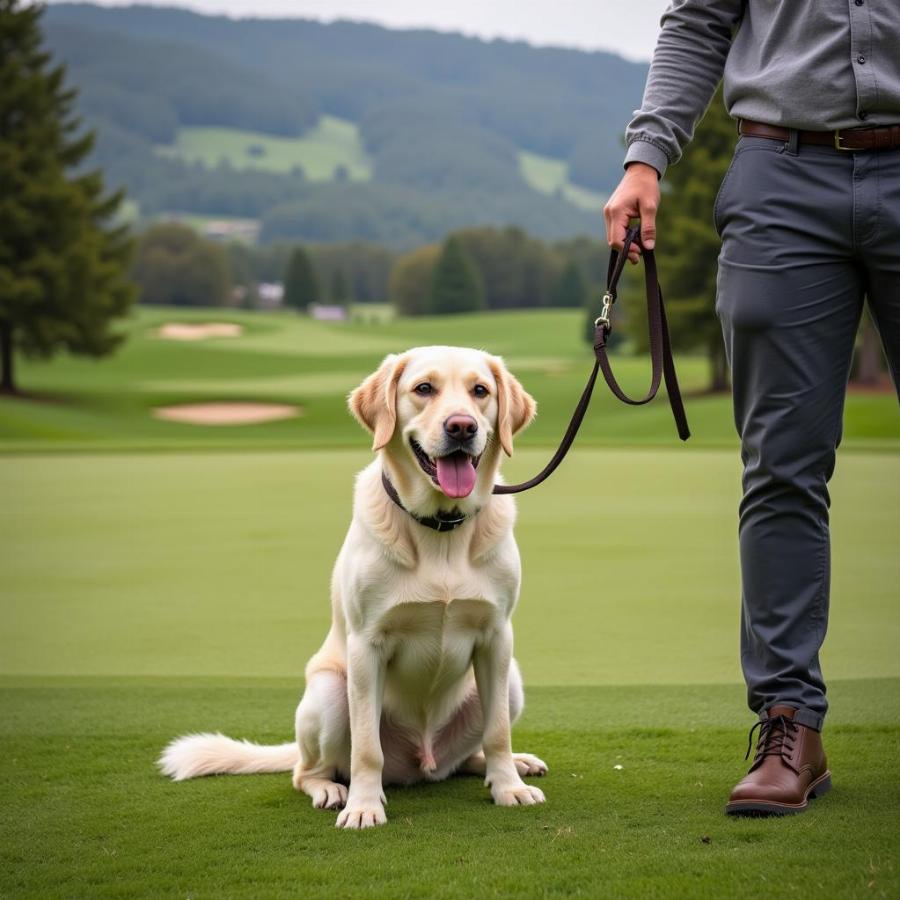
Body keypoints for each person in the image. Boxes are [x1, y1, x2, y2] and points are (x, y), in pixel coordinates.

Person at [604, 0, 899, 816]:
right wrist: (645, 159)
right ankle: (788, 724)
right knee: (780, 468)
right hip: (781, 177)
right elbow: (698, 20)